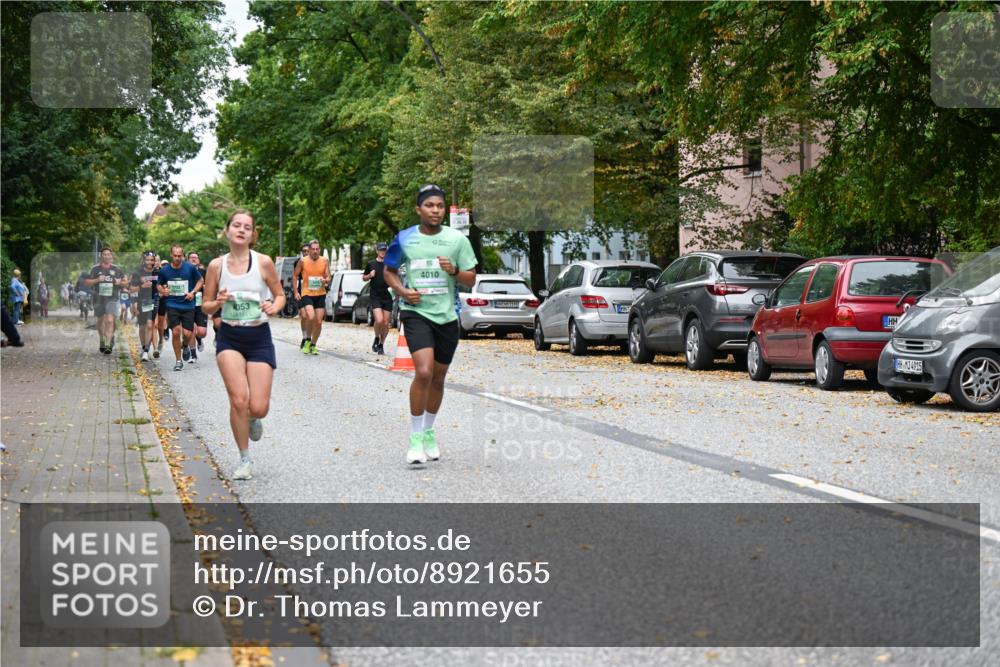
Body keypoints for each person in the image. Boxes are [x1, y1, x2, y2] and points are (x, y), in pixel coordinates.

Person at [383, 184, 477, 464]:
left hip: (447, 316)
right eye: (429, 205)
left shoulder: (456, 239)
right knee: (423, 372)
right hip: (416, 312)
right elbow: (389, 272)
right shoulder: (405, 238)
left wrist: (455, 271)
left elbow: (471, 278)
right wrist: (402, 292)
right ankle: (414, 440)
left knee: (437, 378)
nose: (435, 210)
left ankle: (428, 431)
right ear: (418, 210)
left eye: (439, 206)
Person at [201, 209, 284, 481]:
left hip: (259, 337)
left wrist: (274, 306)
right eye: (236, 225)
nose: (241, 229)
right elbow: (206, 305)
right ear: (227, 231)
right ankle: (244, 460)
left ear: (252, 235)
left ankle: (253, 418)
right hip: (230, 337)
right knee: (239, 400)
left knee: (258, 406)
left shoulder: (264, 263)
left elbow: (280, 294)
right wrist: (219, 303)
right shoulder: (216, 266)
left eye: (247, 227)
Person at [156, 245, 203, 371]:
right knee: (176, 332)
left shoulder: (189, 268)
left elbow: (200, 281)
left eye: (179, 256)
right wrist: (163, 291)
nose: (177, 258)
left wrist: (192, 292)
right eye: (175, 256)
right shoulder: (165, 270)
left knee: (187, 334)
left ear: (182, 255)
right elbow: (159, 285)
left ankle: (185, 345)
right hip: (172, 304)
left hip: (188, 305)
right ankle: (178, 361)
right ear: (171, 255)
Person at [84, 248, 128, 354]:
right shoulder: (95, 269)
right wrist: (97, 280)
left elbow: (126, 282)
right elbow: (87, 282)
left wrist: (119, 282)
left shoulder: (117, 269)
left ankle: (108, 344)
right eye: (104, 254)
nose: (106, 256)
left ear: (111, 256)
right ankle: (102, 339)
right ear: (101, 256)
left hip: (112, 298)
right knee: (100, 320)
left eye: (108, 254)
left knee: (109, 320)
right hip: (98, 298)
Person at [292, 240, 330, 355]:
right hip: (307, 293)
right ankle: (307, 339)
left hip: (320, 294)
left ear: (319, 249)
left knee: (318, 322)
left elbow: (328, 276)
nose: (315, 251)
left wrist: (326, 280)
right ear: (309, 250)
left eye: (317, 249)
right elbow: (294, 276)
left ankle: (313, 344)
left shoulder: (324, 260)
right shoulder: (302, 261)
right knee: (310, 316)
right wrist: (295, 292)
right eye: (313, 249)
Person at [363, 242, 394, 355]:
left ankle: (381, 344)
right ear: (377, 251)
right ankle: (376, 337)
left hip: (386, 295)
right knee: (379, 320)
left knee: (385, 323)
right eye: (381, 250)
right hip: (375, 295)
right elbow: (364, 278)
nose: (383, 252)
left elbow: (394, 277)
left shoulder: (389, 264)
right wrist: (370, 276)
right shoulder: (371, 264)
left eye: (384, 250)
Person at [130, 251, 159, 361]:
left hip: (155, 300)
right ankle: (144, 347)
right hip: (142, 300)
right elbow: (131, 289)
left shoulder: (158, 272)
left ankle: (146, 351)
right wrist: (142, 286)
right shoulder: (138, 272)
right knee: (142, 327)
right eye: (147, 260)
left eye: (152, 260)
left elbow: (164, 284)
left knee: (150, 324)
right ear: (144, 260)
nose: (149, 262)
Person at [187, 251, 209, 355]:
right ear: (188, 260)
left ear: (198, 260)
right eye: (191, 257)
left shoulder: (204, 272)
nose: (194, 259)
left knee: (202, 332)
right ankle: (193, 354)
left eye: (195, 257)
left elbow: (211, 286)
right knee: (191, 329)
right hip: (188, 303)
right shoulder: (184, 271)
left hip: (201, 303)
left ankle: (199, 339)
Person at [293, 243, 309, 349]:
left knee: (312, 317)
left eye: (308, 251)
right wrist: (296, 292)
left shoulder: (317, 262)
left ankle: (309, 337)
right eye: (304, 251)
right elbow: (294, 276)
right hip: (302, 291)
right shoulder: (298, 262)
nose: (306, 253)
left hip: (314, 291)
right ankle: (304, 337)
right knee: (304, 316)